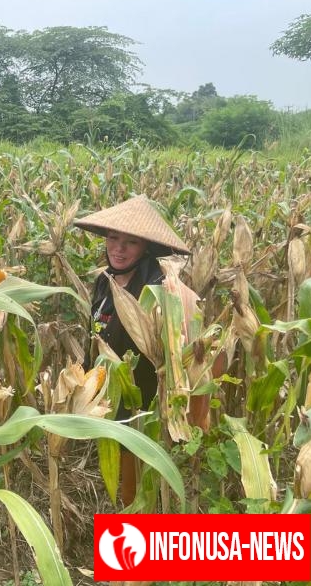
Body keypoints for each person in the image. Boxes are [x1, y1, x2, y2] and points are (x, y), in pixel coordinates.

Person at [75, 195, 209, 505]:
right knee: (120, 473)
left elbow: (194, 347)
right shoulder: (103, 282)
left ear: (145, 248)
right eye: (113, 237)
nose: (118, 248)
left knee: (136, 486)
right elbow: (94, 335)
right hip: (110, 395)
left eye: (131, 242)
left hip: (143, 404)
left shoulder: (162, 289)